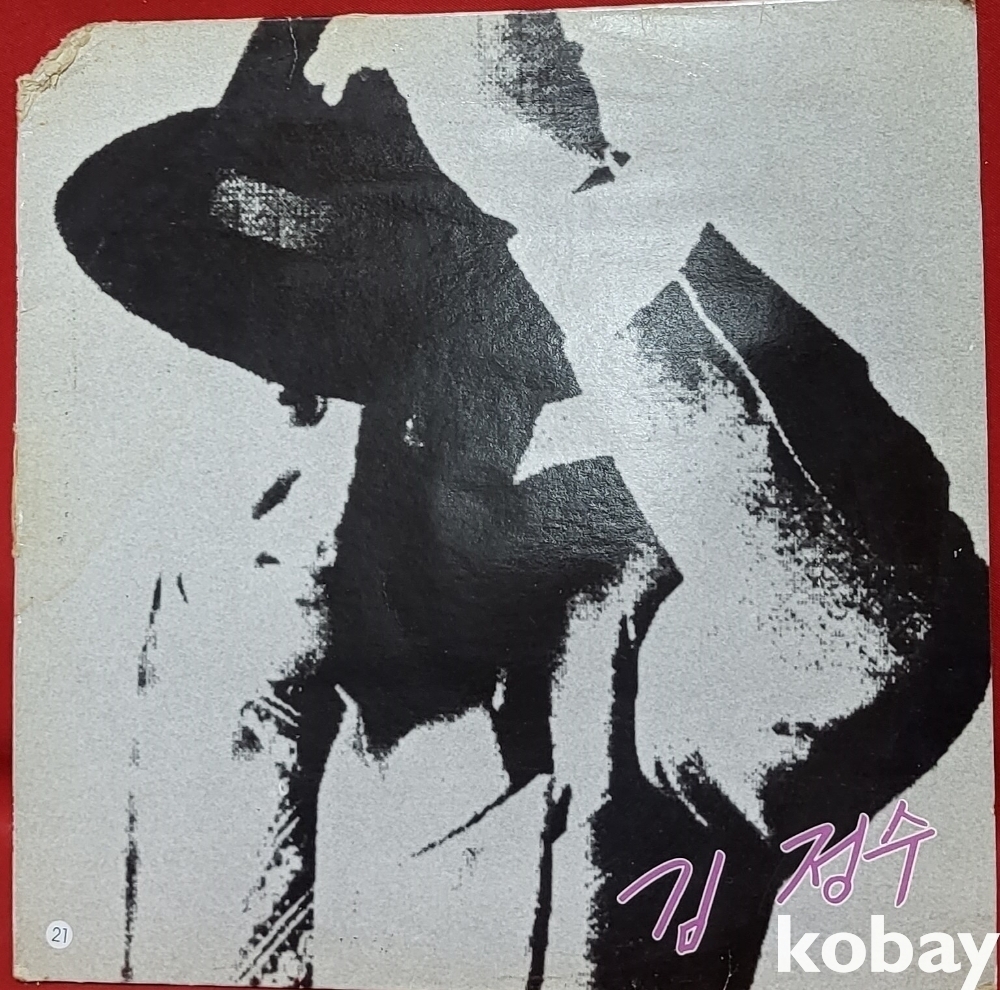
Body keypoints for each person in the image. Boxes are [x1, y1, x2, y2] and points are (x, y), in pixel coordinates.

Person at [54, 18, 989, 990]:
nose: (287, 414)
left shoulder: (632, 625)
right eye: (250, 346)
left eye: (331, 375)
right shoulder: (184, 657)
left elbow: (872, 636)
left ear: (454, 420)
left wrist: (561, 186)